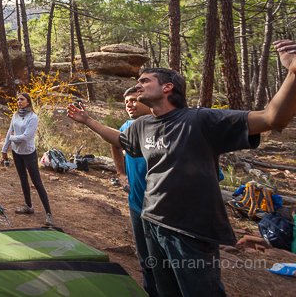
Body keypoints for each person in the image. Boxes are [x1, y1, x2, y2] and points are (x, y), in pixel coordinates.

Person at [66, 39, 296, 296]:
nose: (137, 85)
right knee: (165, 291)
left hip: (190, 229)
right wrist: (87, 120)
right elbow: (119, 140)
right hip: (152, 221)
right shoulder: (142, 125)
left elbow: (271, 118)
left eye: (144, 81)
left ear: (167, 87)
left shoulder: (200, 120)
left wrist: (293, 73)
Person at [70, 87, 156, 295]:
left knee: (167, 265)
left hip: (162, 208)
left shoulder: (163, 126)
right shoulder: (126, 126)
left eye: (135, 100)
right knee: (146, 259)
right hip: (136, 203)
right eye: (126, 100)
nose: (129, 104)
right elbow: (115, 144)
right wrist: (121, 172)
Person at [1, 93, 53, 226]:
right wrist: (4, 149)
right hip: (16, 152)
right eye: (18, 99)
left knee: (37, 182)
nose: (19, 101)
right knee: (23, 178)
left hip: (29, 153)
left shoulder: (33, 117)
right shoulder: (15, 115)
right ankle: (28, 206)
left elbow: (26, 137)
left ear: (28, 102)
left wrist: (12, 138)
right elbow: (9, 132)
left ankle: (48, 213)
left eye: (22, 99)